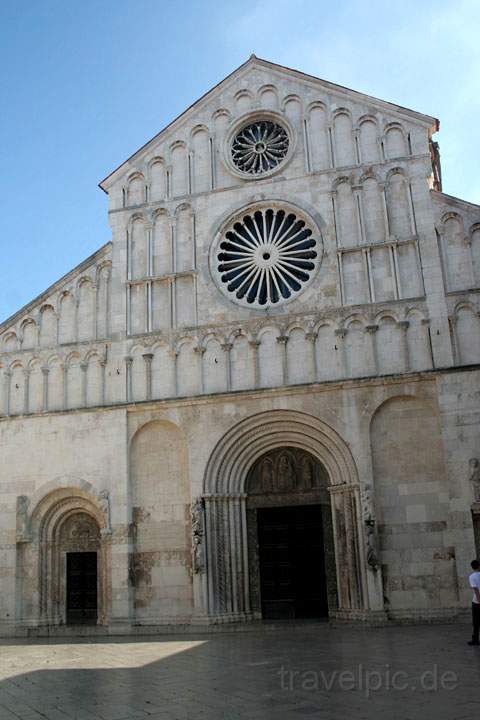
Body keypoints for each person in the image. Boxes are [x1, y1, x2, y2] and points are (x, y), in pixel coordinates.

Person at [468, 559, 480, 646]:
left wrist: (479, 600)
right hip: (477, 601)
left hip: (476, 601)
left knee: (476, 622)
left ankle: (475, 640)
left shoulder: (472, 576)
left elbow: (475, 589)